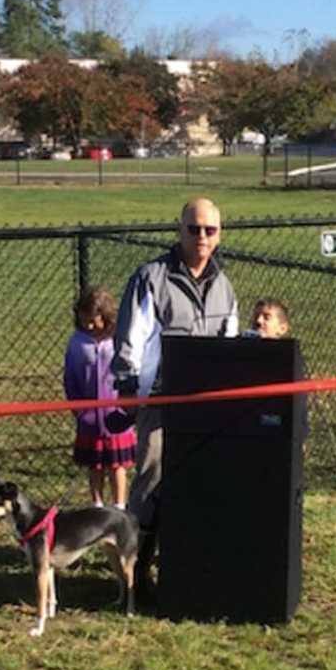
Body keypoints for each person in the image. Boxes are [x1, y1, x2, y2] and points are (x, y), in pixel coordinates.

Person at [110, 197, 238, 595]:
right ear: (179, 230)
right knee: (150, 486)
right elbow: (129, 339)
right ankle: (134, 574)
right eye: (194, 228)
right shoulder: (151, 277)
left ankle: (188, 563)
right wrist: (130, 392)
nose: (201, 237)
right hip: (160, 402)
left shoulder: (224, 286)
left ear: (220, 234)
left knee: (199, 483)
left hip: (205, 404)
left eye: (210, 230)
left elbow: (229, 343)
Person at [63, 286, 136, 509]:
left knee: (117, 465)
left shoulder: (118, 339)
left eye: (94, 321)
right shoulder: (77, 342)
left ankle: (119, 506)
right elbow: (70, 377)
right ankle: (97, 505)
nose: (89, 326)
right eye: (85, 320)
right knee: (94, 465)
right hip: (89, 416)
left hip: (116, 413)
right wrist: (78, 408)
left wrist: (127, 403)